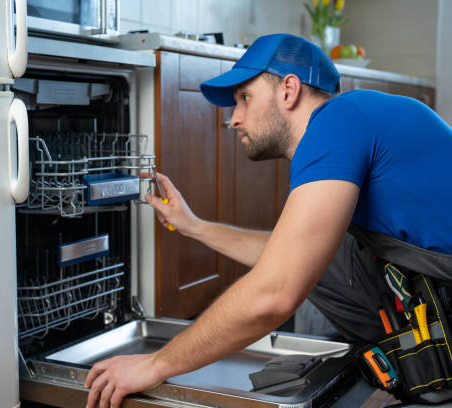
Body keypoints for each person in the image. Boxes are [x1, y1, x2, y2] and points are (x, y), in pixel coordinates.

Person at [85, 33, 452, 408]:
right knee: (317, 257)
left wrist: (155, 364)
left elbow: (275, 293)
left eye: (245, 98)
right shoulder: (354, 120)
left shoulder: (338, 121)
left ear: (289, 90)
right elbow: (287, 254)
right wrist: (191, 224)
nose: (233, 119)